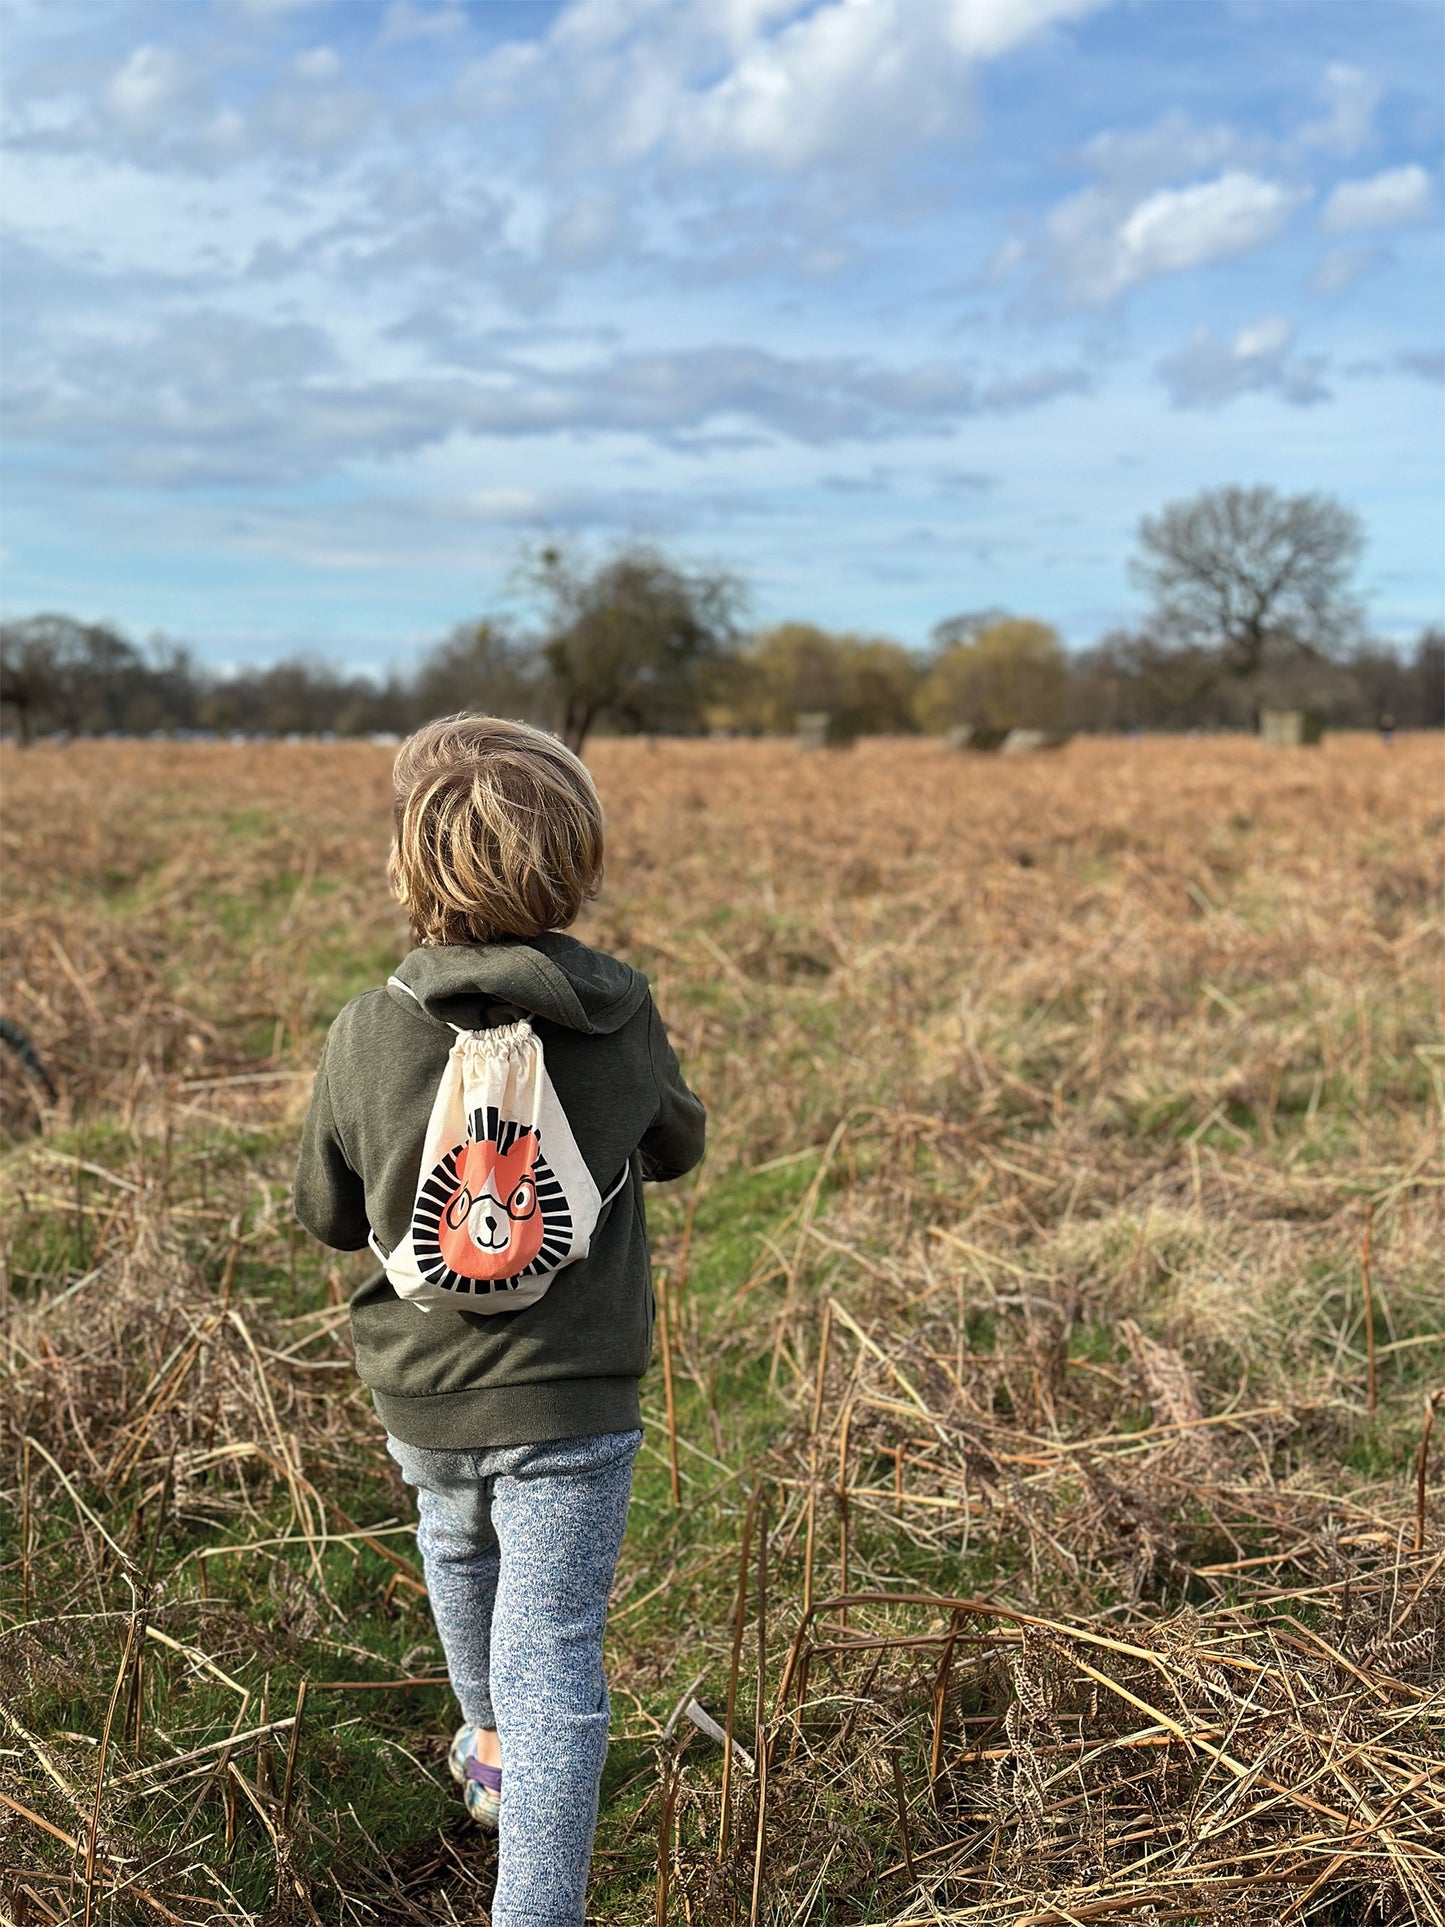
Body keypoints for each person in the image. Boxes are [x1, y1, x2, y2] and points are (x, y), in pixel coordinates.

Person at [293, 715, 705, 1927]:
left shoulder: (367, 1030)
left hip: (420, 1384)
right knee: (558, 1653)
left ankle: (485, 1743)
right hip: (573, 1391)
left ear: (406, 865)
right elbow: (677, 1143)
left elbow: (324, 1210)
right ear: (575, 862)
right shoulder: (617, 1011)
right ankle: (537, 1910)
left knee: (454, 1542)